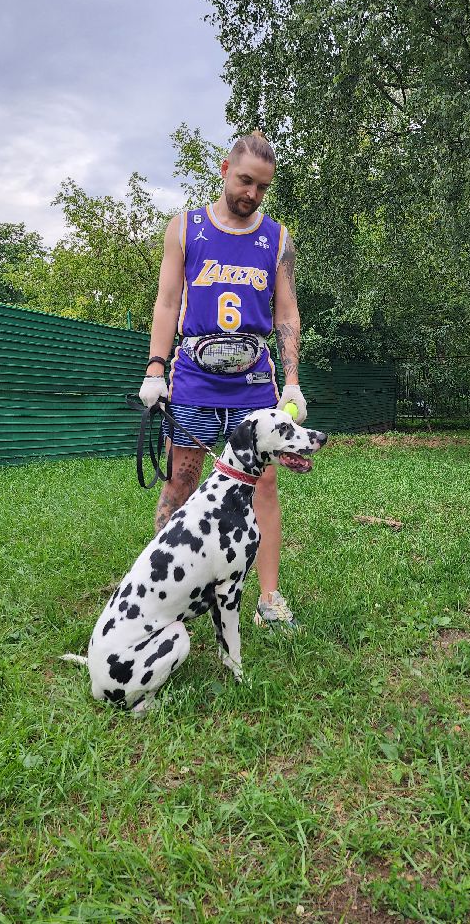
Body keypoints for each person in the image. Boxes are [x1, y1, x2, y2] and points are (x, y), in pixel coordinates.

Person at [138, 131, 307, 629]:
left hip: (254, 382)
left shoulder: (277, 239)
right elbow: (168, 302)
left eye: (262, 187)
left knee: (265, 486)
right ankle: (164, 595)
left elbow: (287, 312)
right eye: (245, 180)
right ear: (223, 170)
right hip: (194, 377)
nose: (251, 193)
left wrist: (292, 379)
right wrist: (155, 366)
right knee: (179, 486)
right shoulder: (185, 229)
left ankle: (269, 601)